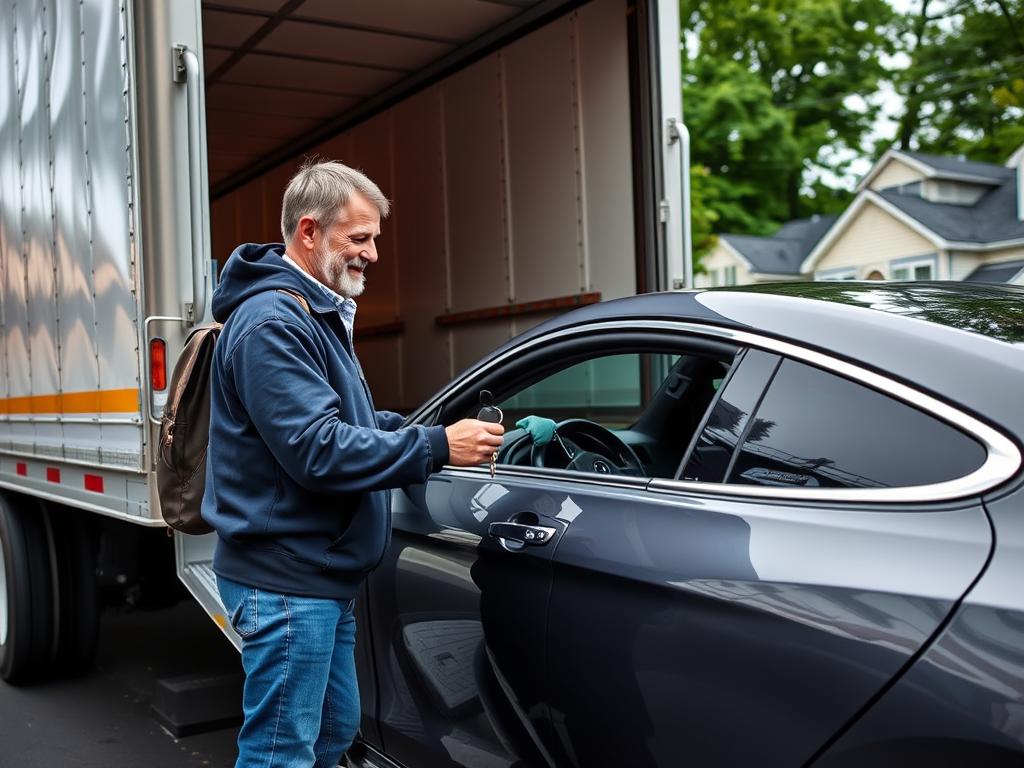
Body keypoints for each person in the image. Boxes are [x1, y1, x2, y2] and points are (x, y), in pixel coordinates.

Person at [201, 159, 504, 768]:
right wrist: (437, 448)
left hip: (317, 579)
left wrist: (429, 432)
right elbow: (317, 448)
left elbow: (351, 425)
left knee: (335, 731)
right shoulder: (271, 324)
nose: (371, 253)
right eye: (358, 238)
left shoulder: (313, 312)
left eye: (373, 239)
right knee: (280, 753)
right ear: (309, 232)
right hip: (285, 582)